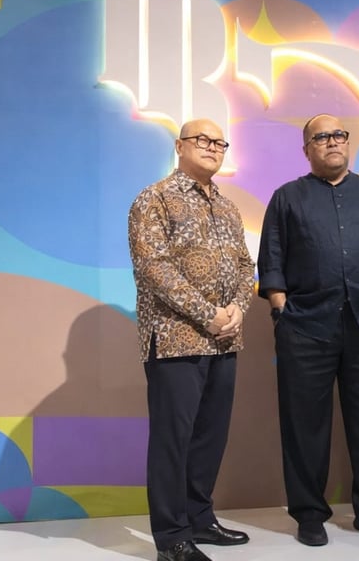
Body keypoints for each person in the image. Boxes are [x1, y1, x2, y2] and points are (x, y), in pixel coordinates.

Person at [257, 113, 359, 547]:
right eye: (321, 136)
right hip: (305, 327)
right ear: (307, 148)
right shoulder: (286, 198)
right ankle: (309, 515)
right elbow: (271, 257)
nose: (332, 141)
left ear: (348, 143)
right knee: (304, 427)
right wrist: (280, 309)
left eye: (339, 135)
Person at [128, 119, 255, 561]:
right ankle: (171, 538)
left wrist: (237, 308)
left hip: (224, 341)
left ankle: (200, 520)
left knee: (210, 438)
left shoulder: (228, 207)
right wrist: (209, 314)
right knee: (173, 440)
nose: (213, 147)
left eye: (220, 142)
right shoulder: (154, 198)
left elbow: (245, 265)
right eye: (202, 139)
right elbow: (154, 268)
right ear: (180, 146)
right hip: (174, 339)